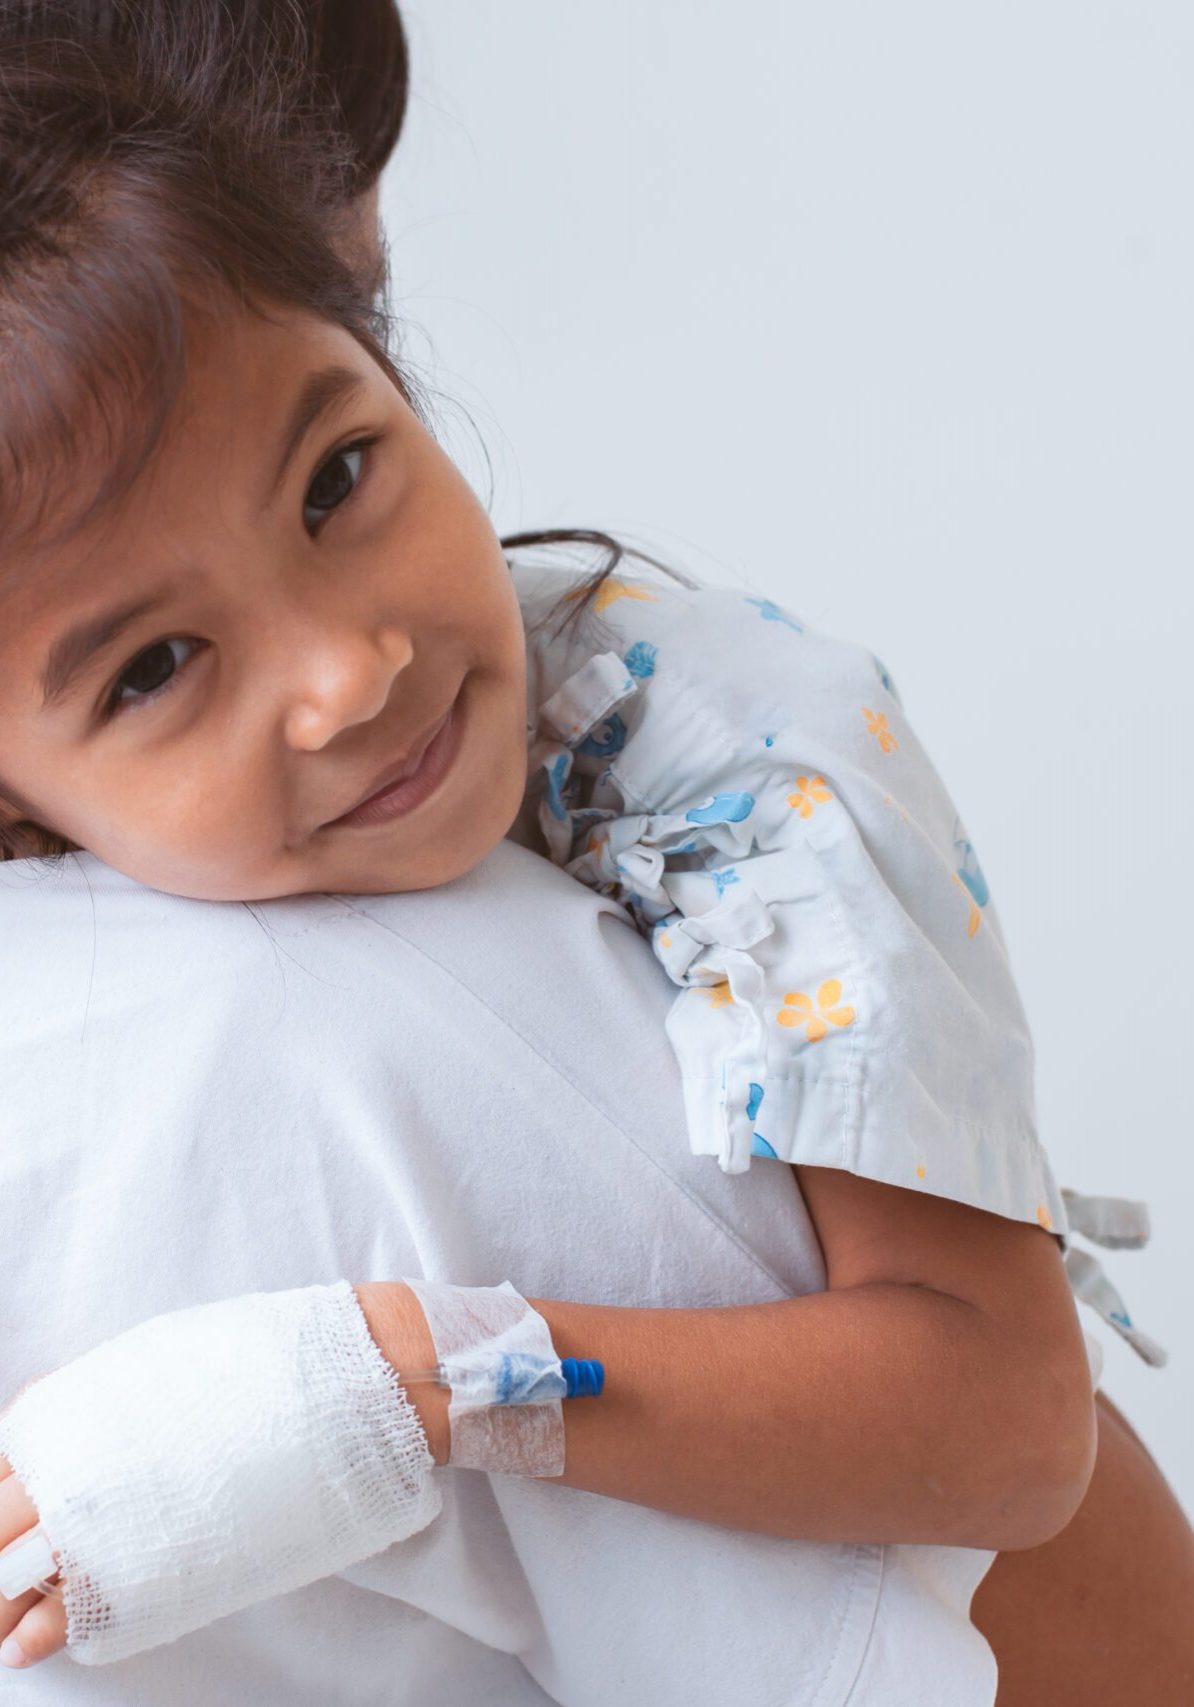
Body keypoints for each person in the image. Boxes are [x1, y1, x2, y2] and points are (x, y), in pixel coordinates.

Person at [0, 7, 1189, 1701]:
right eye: (155, 669)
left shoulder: (738, 761)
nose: (351, 673)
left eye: (339, 475)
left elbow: (1008, 1426)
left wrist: (400, 1383)